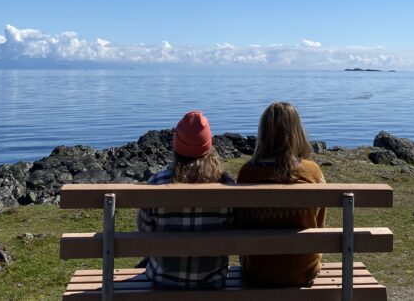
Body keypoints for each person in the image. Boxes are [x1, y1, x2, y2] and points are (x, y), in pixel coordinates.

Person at [136, 110, 235, 288]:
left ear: (176, 146)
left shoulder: (157, 183)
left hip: (163, 279)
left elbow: (145, 233)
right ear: (208, 146)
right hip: (212, 281)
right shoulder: (226, 184)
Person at [236, 101, 326, 286]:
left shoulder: (248, 172)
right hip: (303, 270)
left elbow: (241, 222)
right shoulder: (312, 171)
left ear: (263, 132)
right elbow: (319, 223)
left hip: (257, 270)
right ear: (297, 132)